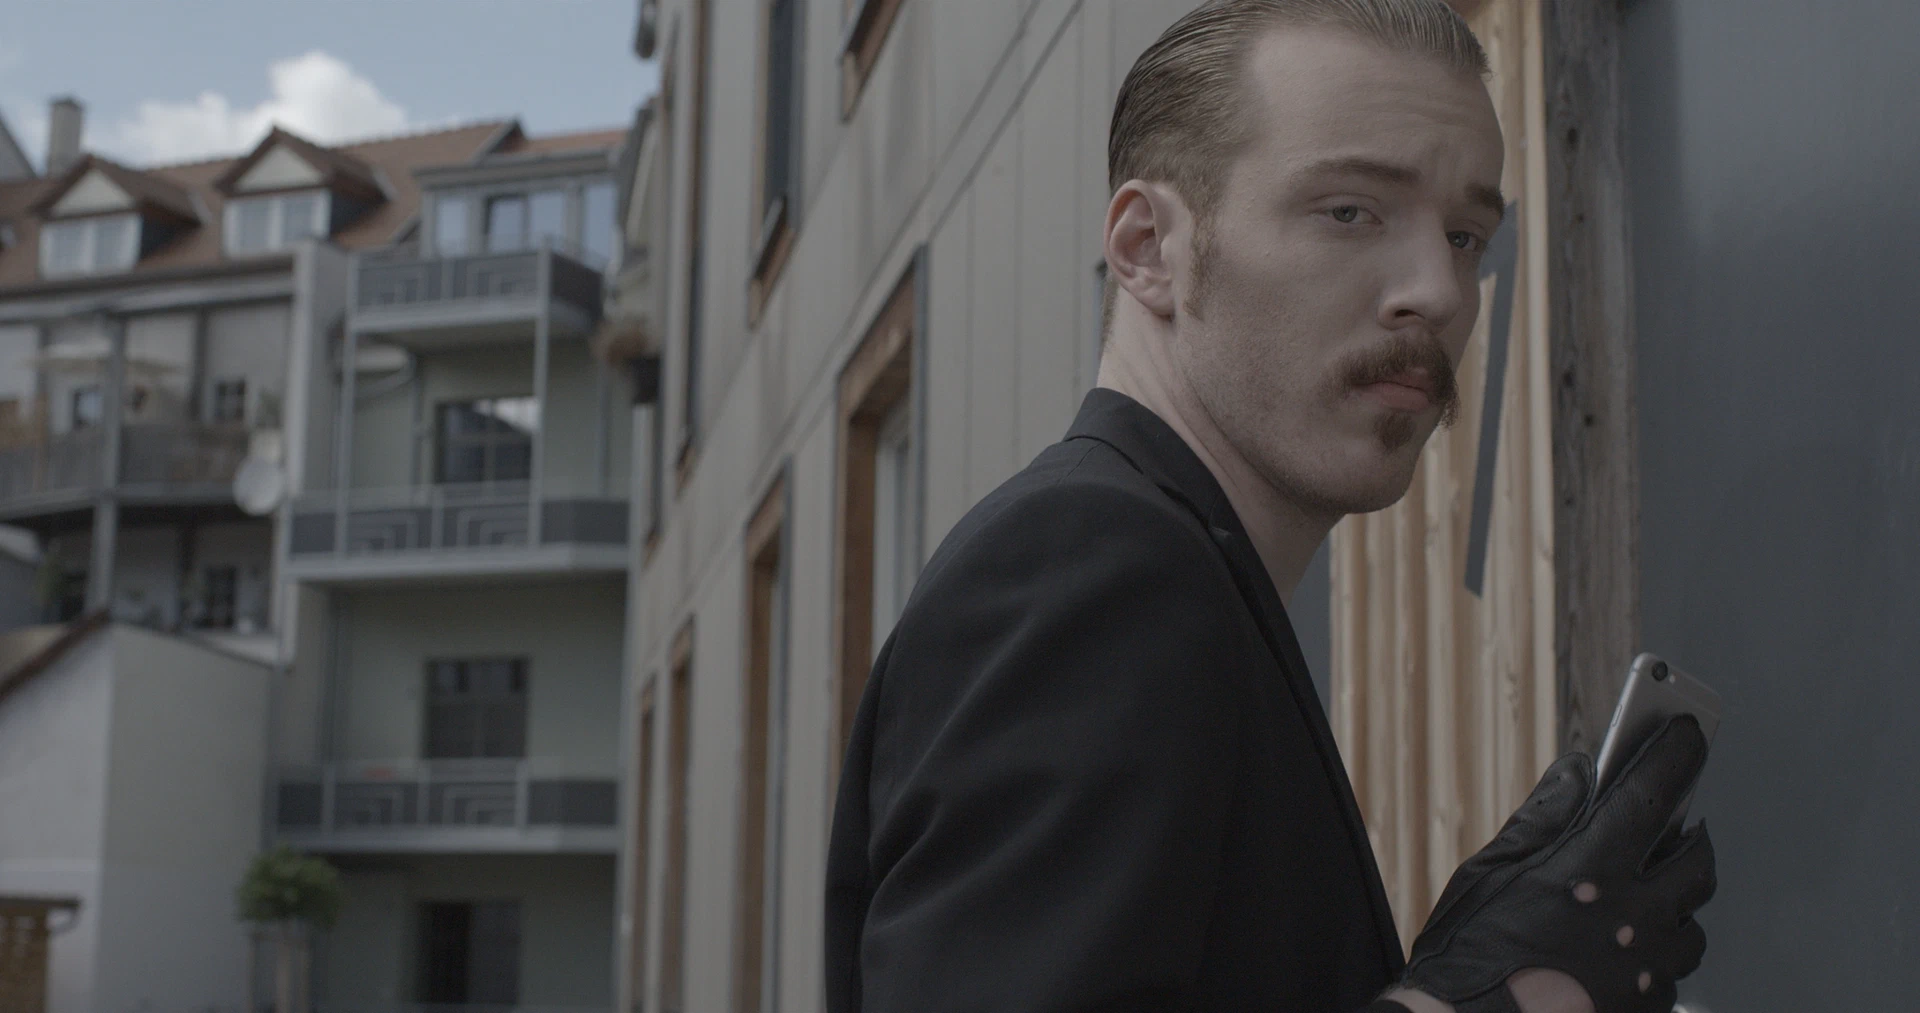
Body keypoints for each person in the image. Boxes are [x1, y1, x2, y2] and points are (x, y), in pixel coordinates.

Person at [823, 1, 1718, 1011]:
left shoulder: (1180, 579)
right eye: (1351, 212)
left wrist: (1459, 966)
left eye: (1466, 235)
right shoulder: (1090, 565)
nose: (1439, 290)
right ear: (1148, 248)